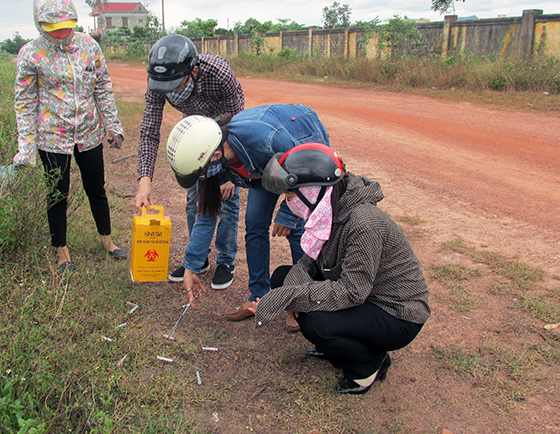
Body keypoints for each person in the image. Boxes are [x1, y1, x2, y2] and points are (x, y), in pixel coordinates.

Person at [250, 143, 430, 395]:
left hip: (396, 312)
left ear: (310, 192)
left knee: (315, 321)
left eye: (290, 196)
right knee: (282, 278)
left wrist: (290, 297)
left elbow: (353, 291)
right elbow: (308, 263)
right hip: (366, 295)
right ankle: (345, 346)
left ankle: (368, 365)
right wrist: (284, 294)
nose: (288, 202)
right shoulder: (328, 210)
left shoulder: (363, 223)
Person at [165, 103, 330, 329]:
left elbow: (307, 168)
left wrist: (287, 215)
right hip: (264, 168)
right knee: (254, 223)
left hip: (302, 151)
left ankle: (303, 303)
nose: (201, 178)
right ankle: (259, 297)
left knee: (296, 229)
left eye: (199, 173)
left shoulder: (268, 140)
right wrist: (191, 266)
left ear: (215, 154)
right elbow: (207, 214)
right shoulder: (212, 158)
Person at [13, 0, 127, 271]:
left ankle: (107, 239)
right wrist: (26, 147)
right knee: (57, 193)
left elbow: (102, 87)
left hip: (88, 133)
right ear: (40, 25)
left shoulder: (89, 47)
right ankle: (61, 250)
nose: (62, 34)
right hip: (52, 138)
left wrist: (112, 125)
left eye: (66, 28)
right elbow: (24, 102)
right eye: (54, 30)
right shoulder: (31, 54)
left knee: (96, 187)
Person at [136, 34, 244, 290]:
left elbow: (238, 122)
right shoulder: (158, 82)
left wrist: (227, 175)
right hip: (193, 131)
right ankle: (199, 258)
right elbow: (150, 131)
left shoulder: (218, 73)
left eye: (177, 84)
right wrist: (144, 181)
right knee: (193, 199)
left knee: (227, 200)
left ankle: (226, 260)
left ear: (193, 70)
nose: (171, 91)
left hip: (225, 126)